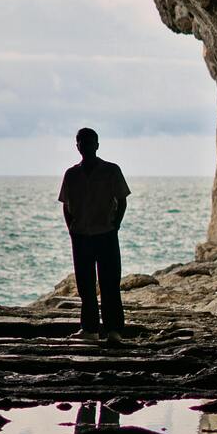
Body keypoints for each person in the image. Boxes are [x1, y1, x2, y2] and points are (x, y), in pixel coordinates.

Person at [58, 127, 130, 344]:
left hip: (106, 233)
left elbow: (122, 200)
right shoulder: (71, 174)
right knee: (85, 285)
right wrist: (71, 228)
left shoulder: (111, 170)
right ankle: (89, 329)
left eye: (89, 142)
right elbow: (66, 204)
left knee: (110, 283)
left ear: (97, 145)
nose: (85, 146)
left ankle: (114, 331)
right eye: (81, 142)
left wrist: (115, 225)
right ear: (77, 145)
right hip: (81, 235)